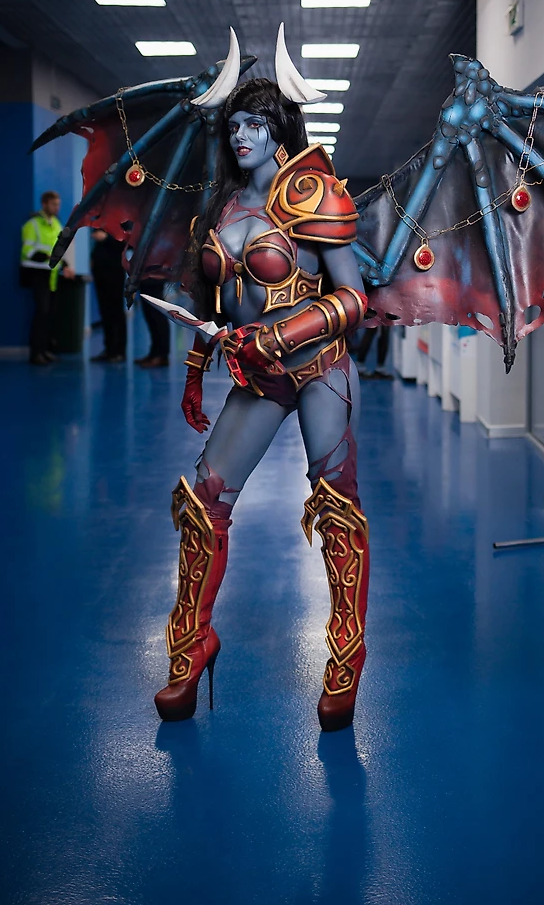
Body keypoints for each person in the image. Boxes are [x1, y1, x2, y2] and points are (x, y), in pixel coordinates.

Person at [153, 74, 369, 732]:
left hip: (320, 368)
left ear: (278, 130)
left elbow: (353, 300)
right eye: (234, 125)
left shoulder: (313, 193)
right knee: (204, 499)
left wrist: (275, 336)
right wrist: (196, 369)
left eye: (253, 123)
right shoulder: (222, 208)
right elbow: (214, 304)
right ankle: (192, 645)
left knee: (336, 506)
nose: (240, 134)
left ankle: (347, 656)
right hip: (255, 375)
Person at [20, 190, 74, 365]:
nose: (57, 207)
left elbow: (58, 249)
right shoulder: (33, 225)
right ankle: (36, 353)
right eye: (53, 204)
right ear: (44, 204)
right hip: (38, 274)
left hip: (52, 275)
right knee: (41, 313)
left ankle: (45, 350)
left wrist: (65, 265)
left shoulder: (56, 224)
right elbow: (27, 250)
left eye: (58, 204)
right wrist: (44, 256)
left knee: (49, 313)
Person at [89, 230, 127, 363]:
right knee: (104, 311)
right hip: (99, 271)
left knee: (116, 310)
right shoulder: (100, 222)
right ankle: (109, 349)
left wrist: (106, 238)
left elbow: (126, 243)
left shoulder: (123, 222)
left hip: (114, 270)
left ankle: (119, 350)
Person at [136, 278, 170, 367]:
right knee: (150, 312)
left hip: (154, 275)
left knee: (156, 313)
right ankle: (155, 353)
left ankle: (161, 355)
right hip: (146, 275)